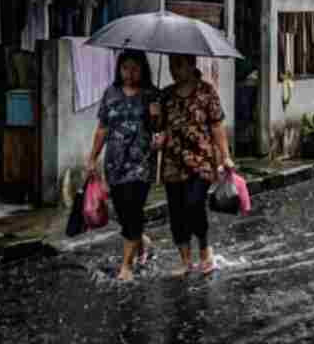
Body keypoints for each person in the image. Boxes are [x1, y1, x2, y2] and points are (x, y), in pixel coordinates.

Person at [153, 54, 235, 276]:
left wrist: (225, 156)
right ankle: (185, 260)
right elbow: (158, 128)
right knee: (177, 211)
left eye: (178, 64)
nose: (174, 70)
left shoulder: (206, 92)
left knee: (194, 203)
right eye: (171, 65)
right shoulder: (165, 95)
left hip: (201, 161)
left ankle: (205, 249)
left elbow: (217, 125)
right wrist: (156, 127)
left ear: (191, 65)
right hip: (173, 163)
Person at [85, 49, 158, 282]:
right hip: (115, 163)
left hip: (142, 163)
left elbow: (160, 129)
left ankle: (126, 266)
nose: (129, 73)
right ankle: (142, 241)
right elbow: (102, 128)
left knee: (133, 208)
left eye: (134, 68)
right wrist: (92, 158)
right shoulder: (111, 93)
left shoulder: (151, 94)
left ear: (143, 69)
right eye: (125, 68)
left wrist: (157, 117)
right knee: (122, 210)